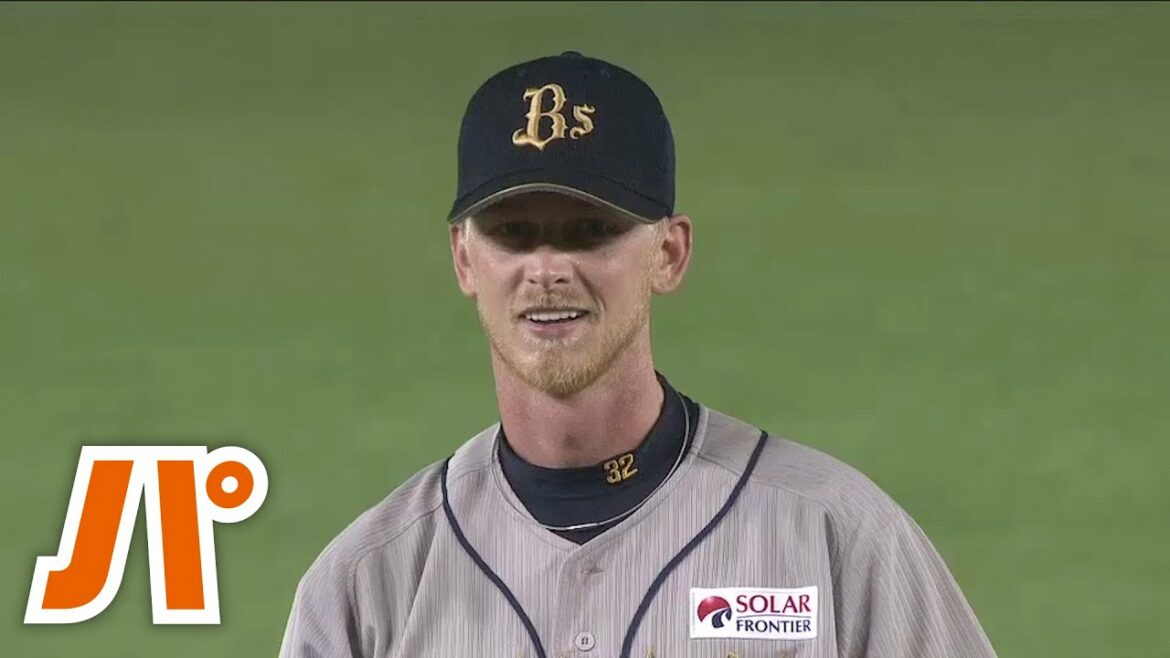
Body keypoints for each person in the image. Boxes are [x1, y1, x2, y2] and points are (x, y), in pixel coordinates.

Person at [279, 51, 996, 658]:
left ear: (669, 252)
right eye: (513, 233)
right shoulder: (369, 585)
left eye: (590, 230)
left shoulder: (835, 534)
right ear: (465, 259)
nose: (548, 268)